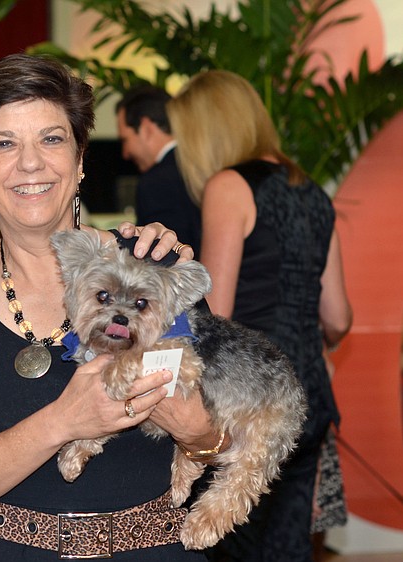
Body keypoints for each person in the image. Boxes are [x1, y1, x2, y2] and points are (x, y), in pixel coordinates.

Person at [0, 53, 211, 561]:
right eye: (3, 144)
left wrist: (195, 429)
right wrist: (63, 421)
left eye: (51, 139)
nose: (31, 163)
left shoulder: (152, 266)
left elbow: (226, 438)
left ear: (79, 159)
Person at [167, 69, 353, 562]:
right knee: (289, 546)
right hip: (308, 395)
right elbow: (339, 317)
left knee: (232, 545)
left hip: (245, 397)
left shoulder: (229, 187)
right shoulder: (313, 191)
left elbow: (216, 314)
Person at [116, 84, 201, 252]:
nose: (125, 154)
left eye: (125, 140)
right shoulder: (200, 166)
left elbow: (159, 260)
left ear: (146, 128)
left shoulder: (157, 182)